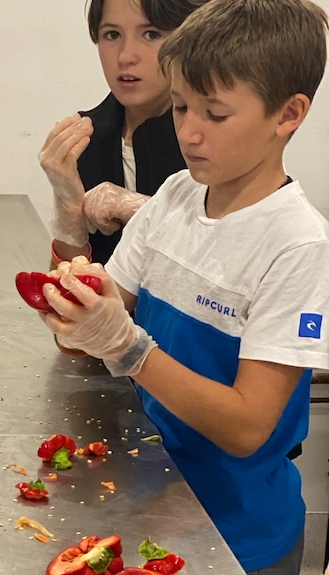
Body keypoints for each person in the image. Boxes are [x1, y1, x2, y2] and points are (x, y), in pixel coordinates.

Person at [38, 0, 329, 573]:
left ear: (289, 113)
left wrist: (128, 348)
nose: (189, 132)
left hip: (234, 537)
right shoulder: (173, 197)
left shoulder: (297, 247)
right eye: (179, 108)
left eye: (215, 114)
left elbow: (247, 428)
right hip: (148, 493)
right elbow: (80, 339)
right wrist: (76, 299)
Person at [39, 0, 207, 268]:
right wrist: (70, 218)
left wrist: (143, 210)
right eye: (112, 35)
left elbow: (238, 258)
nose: (126, 56)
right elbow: (66, 300)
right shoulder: (86, 139)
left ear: (193, 40)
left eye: (151, 34)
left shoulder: (212, 139)